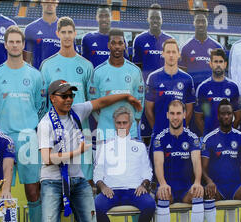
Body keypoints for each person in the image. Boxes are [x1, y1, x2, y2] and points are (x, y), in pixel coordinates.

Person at [35, 79, 142, 222]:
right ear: (53, 98)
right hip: (52, 182)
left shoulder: (77, 111)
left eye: (71, 95)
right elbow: (47, 158)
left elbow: (101, 102)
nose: (69, 99)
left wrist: (125, 97)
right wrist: (78, 151)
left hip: (78, 180)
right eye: (64, 96)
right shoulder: (45, 124)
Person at [0, 25, 44, 222]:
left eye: (18, 41)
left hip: (29, 138)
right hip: (2, 140)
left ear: (23, 44)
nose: (14, 45)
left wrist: (30, 128)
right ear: (5, 44)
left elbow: (41, 109)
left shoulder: (35, 75)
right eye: (10, 41)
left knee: (33, 191)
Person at [146, 39, 196, 222]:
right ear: (163, 54)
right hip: (160, 141)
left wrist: (179, 129)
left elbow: (190, 111)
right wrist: (160, 128)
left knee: (184, 183)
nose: (172, 55)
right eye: (168, 52)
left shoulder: (186, 79)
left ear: (178, 55)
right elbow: (149, 109)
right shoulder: (154, 77)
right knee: (159, 187)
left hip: (180, 142)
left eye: (174, 52)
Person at [93, 107, 155, 222]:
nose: (121, 126)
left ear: (131, 124)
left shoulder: (139, 146)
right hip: (112, 191)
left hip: (134, 190)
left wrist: (144, 185)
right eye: (119, 123)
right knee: (96, 206)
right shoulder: (106, 146)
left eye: (125, 123)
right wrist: (103, 186)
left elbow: (148, 172)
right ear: (114, 123)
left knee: (149, 204)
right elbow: (97, 173)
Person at [40, 16, 94, 181]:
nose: (67, 36)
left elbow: (91, 100)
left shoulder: (86, 65)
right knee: (57, 182)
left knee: (84, 182)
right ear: (57, 34)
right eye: (63, 32)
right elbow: (44, 103)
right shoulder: (47, 65)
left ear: (75, 33)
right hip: (56, 133)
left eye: (70, 32)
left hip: (80, 132)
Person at [153, 100, 204, 222]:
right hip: (168, 186)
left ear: (184, 114)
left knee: (197, 193)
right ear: (167, 115)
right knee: (162, 195)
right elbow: (158, 163)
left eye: (178, 113)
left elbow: (197, 162)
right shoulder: (159, 138)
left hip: (186, 187)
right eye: (172, 114)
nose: (175, 117)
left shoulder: (192, 138)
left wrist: (197, 182)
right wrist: (162, 184)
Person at [88, 28, 144, 141]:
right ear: (108, 45)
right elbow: (93, 101)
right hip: (105, 132)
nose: (117, 46)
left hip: (129, 133)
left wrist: (135, 120)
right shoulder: (98, 72)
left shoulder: (135, 71)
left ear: (124, 45)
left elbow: (140, 99)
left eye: (120, 43)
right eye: (113, 43)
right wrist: (103, 120)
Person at [132, 3, 173, 144]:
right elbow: (137, 70)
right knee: (147, 134)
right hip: (147, 95)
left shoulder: (169, 40)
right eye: (152, 18)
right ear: (148, 19)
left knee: (167, 131)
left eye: (158, 18)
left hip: (166, 94)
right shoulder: (140, 40)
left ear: (162, 19)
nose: (155, 21)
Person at [195, 48, 241, 137]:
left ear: (225, 64)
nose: (218, 65)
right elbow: (198, 118)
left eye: (221, 61)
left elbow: (238, 117)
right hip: (209, 139)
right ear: (211, 64)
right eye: (215, 62)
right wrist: (208, 136)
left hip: (227, 139)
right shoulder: (203, 87)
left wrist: (228, 134)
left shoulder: (233, 87)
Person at [180, 13, 224, 91]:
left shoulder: (217, 46)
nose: (200, 24)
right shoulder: (185, 47)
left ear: (207, 23)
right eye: (198, 21)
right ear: (194, 23)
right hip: (192, 92)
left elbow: (222, 72)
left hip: (213, 91)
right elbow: (182, 74)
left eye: (203, 21)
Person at [23, 0, 61, 70]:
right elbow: (25, 61)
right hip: (39, 77)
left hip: (61, 77)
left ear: (57, 2)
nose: (50, 3)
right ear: (41, 2)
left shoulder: (65, 28)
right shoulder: (30, 29)